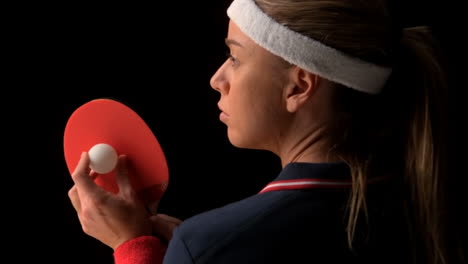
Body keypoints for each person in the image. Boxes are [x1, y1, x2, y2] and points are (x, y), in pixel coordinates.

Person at [68, 0, 463, 263]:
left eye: (236, 57)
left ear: (299, 86)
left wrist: (133, 248)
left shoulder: (208, 245)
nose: (216, 78)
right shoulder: (421, 198)